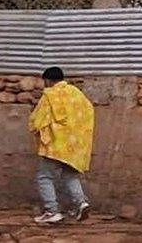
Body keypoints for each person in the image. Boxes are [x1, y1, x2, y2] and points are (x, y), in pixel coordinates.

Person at [28, 67, 94, 225]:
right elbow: (89, 112)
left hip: (55, 145)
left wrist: (35, 128)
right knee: (69, 175)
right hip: (75, 145)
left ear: (48, 81)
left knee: (44, 176)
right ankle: (81, 203)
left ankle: (52, 211)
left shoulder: (50, 95)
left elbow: (38, 120)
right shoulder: (77, 94)